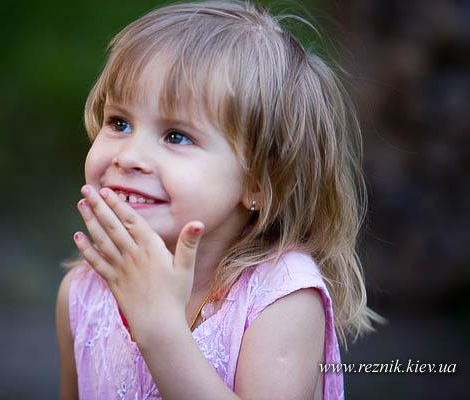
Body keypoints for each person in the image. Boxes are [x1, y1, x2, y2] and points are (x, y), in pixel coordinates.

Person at [56, 1, 384, 399]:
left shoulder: (282, 298)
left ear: (260, 181)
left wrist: (160, 331)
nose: (128, 157)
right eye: (119, 123)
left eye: (176, 136)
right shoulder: (82, 293)